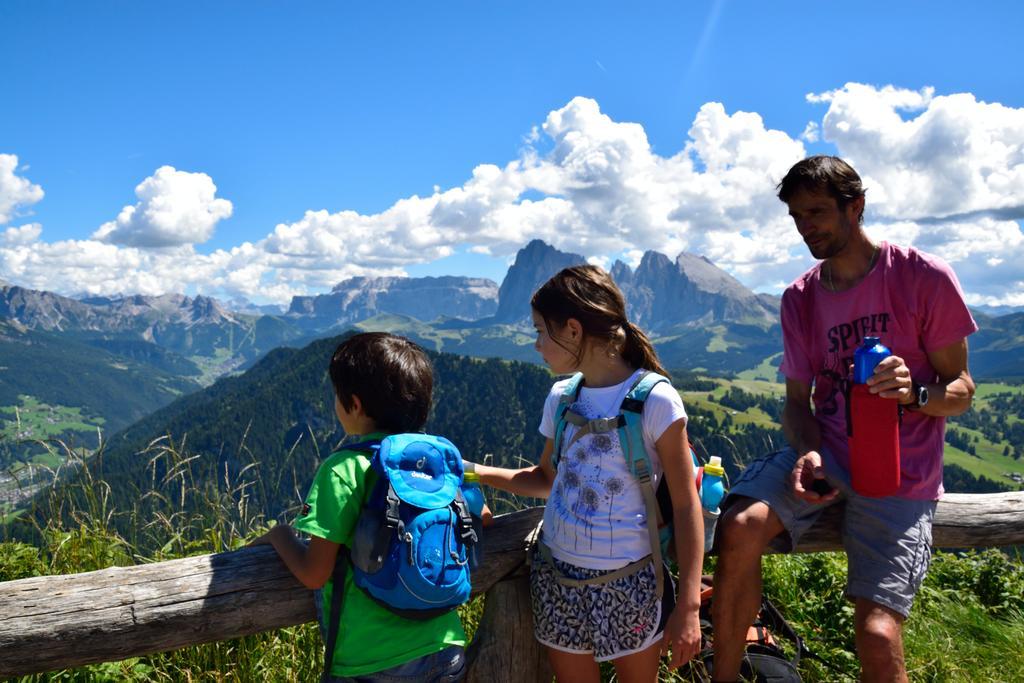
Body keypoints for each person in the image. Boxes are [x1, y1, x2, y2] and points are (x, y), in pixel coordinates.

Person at [711, 156, 977, 682]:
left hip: (899, 474)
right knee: (739, 528)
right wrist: (809, 451)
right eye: (796, 217)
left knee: (877, 634)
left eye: (816, 212)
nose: (806, 227)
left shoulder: (923, 278)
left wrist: (915, 392)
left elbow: (962, 390)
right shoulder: (800, 298)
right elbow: (795, 402)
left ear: (856, 207)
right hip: (821, 457)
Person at [472, 265, 704, 683]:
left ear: (574, 330)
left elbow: (688, 507)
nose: (537, 344)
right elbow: (546, 478)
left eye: (541, 330)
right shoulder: (562, 398)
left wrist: (688, 604)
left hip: (631, 584)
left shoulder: (656, 401)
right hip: (557, 577)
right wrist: (478, 473)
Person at [250, 332, 467, 683]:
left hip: (371, 661)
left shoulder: (343, 469)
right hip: (446, 649)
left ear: (354, 404)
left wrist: (280, 536)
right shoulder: (441, 462)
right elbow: (480, 519)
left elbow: (314, 573)